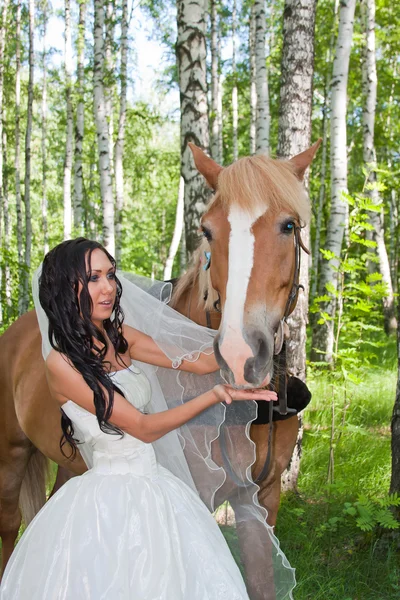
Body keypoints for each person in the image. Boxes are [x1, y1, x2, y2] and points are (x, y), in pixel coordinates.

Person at [0, 238, 280, 600]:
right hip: (107, 498)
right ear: (67, 288)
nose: (108, 288)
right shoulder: (62, 364)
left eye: (111, 275)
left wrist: (245, 343)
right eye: (94, 278)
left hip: (155, 486)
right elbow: (143, 428)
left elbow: (197, 360)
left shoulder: (119, 337)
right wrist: (214, 395)